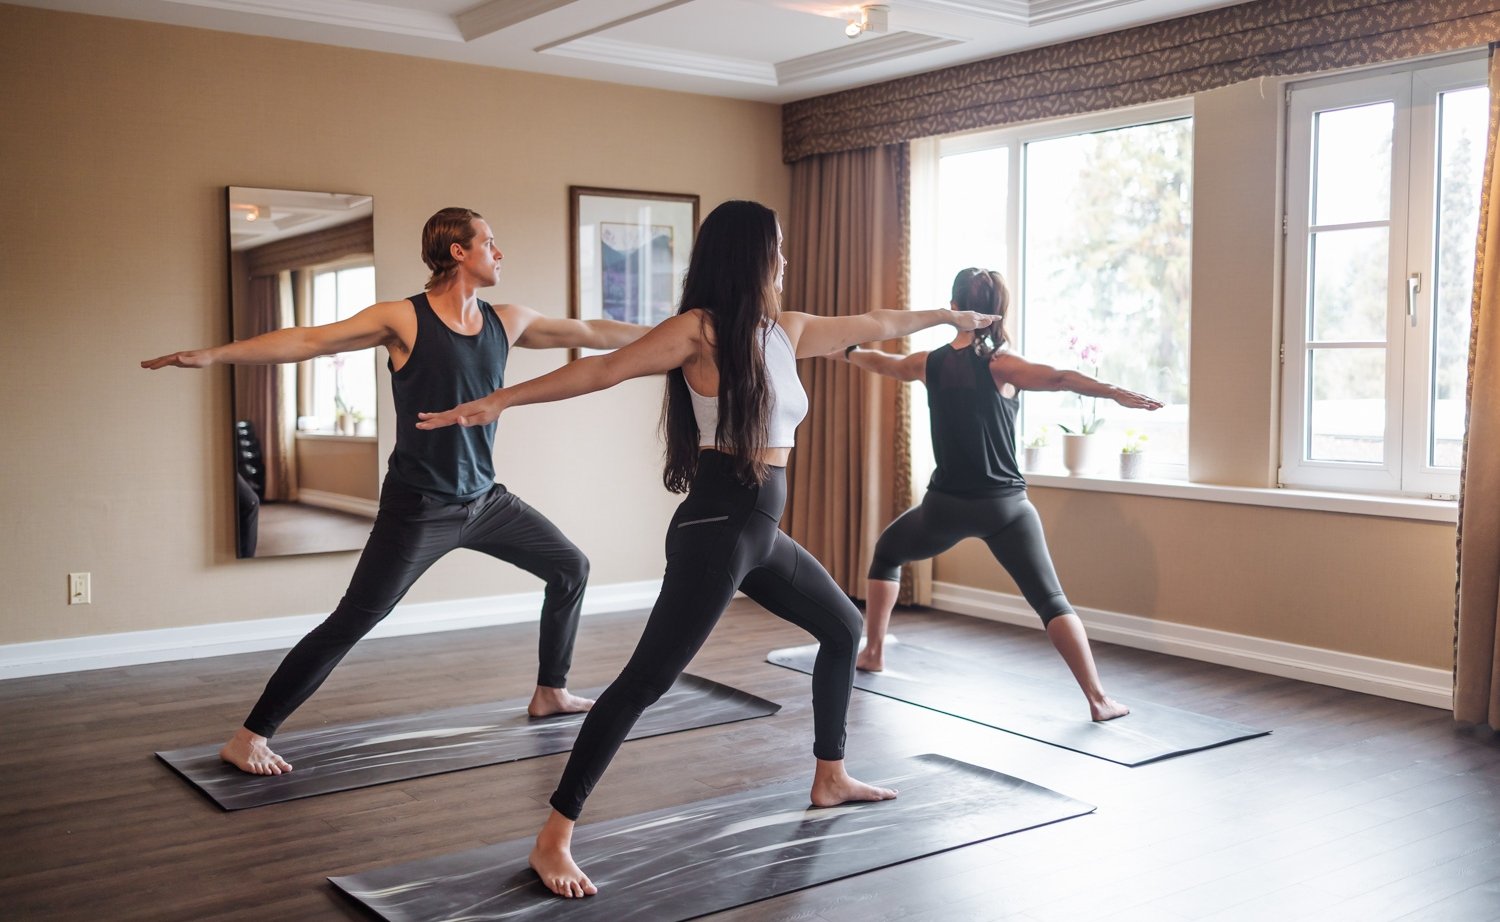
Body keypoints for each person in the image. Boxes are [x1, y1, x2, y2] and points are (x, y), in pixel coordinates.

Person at [416, 200, 998, 898]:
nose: (784, 259)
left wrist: (949, 316)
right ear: (751, 253)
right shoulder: (700, 332)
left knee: (843, 629)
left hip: (760, 530)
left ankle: (829, 774)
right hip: (718, 527)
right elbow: (604, 370)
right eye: (776, 248)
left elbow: (878, 322)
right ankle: (553, 838)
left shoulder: (786, 329)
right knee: (645, 683)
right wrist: (498, 401)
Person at [142, 207, 648, 775]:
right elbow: (309, 340)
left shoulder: (509, 320)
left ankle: (550, 691)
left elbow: (593, 333)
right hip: (419, 508)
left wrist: (683, 336)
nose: (499, 252)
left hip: (485, 500)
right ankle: (249, 736)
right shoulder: (404, 320)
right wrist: (214, 355)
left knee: (570, 567)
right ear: (459, 251)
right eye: (490, 242)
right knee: (353, 620)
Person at [836, 267, 1162, 722]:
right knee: (1051, 600)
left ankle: (873, 652)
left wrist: (848, 352)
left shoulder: (928, 363)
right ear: (997, 312)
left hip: (945, 507)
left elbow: (884, 363)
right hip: (1005, 509)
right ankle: (1098, 700)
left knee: (887, 553)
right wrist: (1114, 392)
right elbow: (1062, 378)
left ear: (954, 309)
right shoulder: (1002, 364)